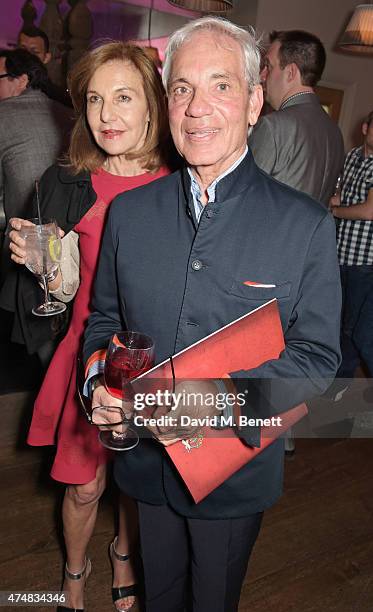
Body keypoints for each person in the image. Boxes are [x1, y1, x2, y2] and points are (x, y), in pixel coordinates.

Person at [83, 17, 341, 612]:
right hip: (144, 467)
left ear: (255, 103)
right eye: (181, 88)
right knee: (160, 594)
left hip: (234, 472)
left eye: (221, 85)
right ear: (166, 103)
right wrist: (101, 377)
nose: (198, 107)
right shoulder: (130, 215)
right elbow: (104, 322)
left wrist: (205, 404)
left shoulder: (303, 224)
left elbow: (318, 358)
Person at [8, 42, 171, 612]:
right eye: (95, 99)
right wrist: (41, 263)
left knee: (137, 481)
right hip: (87, 354)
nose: (107, 116)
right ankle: (72, 576)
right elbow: (62, 287)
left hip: (156, 362)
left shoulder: (180, 184)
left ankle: (123, 555)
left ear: (152, 103)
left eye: (123, 97)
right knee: (83, 484)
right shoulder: (70, 180)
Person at [250, 30, 344, 206]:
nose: (262, 75)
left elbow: (245, 196)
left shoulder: (273, 126)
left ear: (291, 72)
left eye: (268, 66)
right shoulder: (335, 132)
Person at [329, 110, 373, 387]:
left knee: (359, 331)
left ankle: (343, 384)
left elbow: (369, 211)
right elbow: (342, 195)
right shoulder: (352, 157)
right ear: (366, 128)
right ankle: (339, 387)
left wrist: (334, 210)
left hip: (366, 263)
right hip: (340, 256)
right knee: (341, 326)